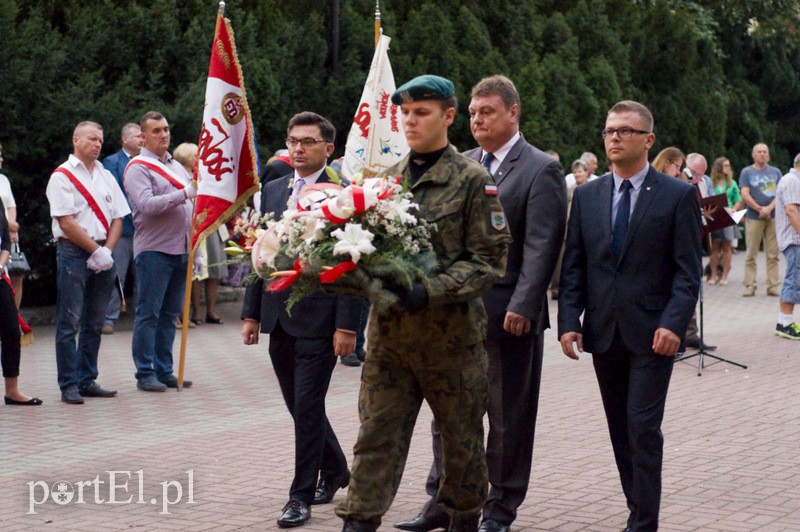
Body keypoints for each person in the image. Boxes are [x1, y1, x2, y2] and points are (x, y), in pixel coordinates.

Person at [335, 75, 511, 532]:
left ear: (448, 116)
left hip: (451, 345)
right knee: (375, 438)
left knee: (462, 445)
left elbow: (489, 261)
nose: (410, 121)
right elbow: (366, 255)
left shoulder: (474, 180)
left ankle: (463, 518)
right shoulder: (383, 183)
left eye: (422, 112)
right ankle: (358, 519)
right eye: (406, 113)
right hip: (390, 344)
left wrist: (428, 290)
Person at [394, 75, 566, 532]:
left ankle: (501, 507)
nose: (477, 120)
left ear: (514, 112)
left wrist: (525, 306)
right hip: (452, 316)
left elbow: (541, 245)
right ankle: (442, 501)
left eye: (487, 111)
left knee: (506, 418)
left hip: (506, 315)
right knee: (446, 413)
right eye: (472, 113)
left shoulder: (539, 168)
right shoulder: (462, 163)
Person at [558, 100, 702, 532]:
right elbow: (574, 267)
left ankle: (643, 522)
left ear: (648, 140)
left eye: (625, 131)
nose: (615, 138)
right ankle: (636, 508)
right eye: (609, 131)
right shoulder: (587, 195)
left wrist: (674, 324)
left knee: (642, 427)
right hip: (603, 333)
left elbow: (687, 271)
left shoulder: (676, 195)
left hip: (653, 334)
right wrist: (568, 321)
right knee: (620, 429)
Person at [241, 112, 361, 529]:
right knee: (298, 406)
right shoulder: (272, 190)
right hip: (280, 317)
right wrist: (251, 313)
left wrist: (348, 326)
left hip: (322, 318)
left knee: (308, 406)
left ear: (328, 149)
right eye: (292, 140)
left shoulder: (345, 194)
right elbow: (261, 252)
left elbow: (353, 262)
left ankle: (299, 496)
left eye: (308, 142)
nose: (297, 149)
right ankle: (336, 469)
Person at [46, 121, 130, 404]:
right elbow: (67, 223)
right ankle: (68, 384)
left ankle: (87, 378)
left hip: (103, 253)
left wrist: (106, 251)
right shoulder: (62, 176)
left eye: (100, 140)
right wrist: (97, 250)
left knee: (94, 321)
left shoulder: (106, 175)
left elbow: (118, 217)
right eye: (92, 139)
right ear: (75, 140)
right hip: (73, 253)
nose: (97, 144)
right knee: (69, 322)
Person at [124, 112, 196, 392]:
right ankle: (145, 373)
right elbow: (146, 205)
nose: (163, 135)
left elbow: (190, 203)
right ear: (143, 136)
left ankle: (164, 370)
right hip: (154, 249)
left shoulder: (176, 166)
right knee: (149, 314)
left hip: (182, 247)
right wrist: (185, 193)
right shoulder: (137, 167)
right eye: (156, 131)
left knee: (169, 315)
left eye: (166, 129)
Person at [172, 142, 227, 327]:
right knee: (195, 273)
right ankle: (193, 312)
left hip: (213, 225)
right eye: (197, 155)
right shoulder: (179, 177)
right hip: (193, 226)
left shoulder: (208, 176)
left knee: (214, 270)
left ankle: (210, 310)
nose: (201, 159)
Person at [101, 123, 143, 334]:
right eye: (137, 136)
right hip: (123, 229)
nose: (141, 140)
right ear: (125, 139)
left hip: (146, 231)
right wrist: (142, 207)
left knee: (144, 275)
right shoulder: (111, 162)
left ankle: (143, 318)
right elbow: (114, 192)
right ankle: (109, 318)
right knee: (117, 275)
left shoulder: (147, 161)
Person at [1, 195, 41, 406]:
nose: (0, 159)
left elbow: (6, 239)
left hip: (0, 275)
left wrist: (1, 263)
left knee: (11, 329)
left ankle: (12, 390)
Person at [739, 143, 782, 297]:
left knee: (772, 254)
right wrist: (759, 209)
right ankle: (750, 285)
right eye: (759, 152)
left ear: (769, 155)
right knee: (751, 253)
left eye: (765, 152)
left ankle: (772, 285)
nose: (762, 154)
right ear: (753, 155)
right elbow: (744, 194)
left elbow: (780, 194)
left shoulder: (776, 172)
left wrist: (769, 209)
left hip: (773, 216)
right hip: (753, 217)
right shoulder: (746, 172)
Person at [774, 153, 800, 340]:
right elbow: (791, 210)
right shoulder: (792, 180)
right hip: (794, 239)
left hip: (795, 238)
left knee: (795, 278)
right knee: (793, 279)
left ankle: (786, 321)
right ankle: (785, 324)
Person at [709, 157, 742, 285]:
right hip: (715, 216)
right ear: (719, 167)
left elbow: (738, 200)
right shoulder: (711, 182)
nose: (729, 168)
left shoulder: (732, 183)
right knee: (714, 246)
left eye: (729, 165)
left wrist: (733, 209)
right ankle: (713, 274)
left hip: (728, 217)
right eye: (726, 165)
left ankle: (724, 275)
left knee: (727, 246)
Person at [0, 143, 23, 308]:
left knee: (16, 274)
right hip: (3, 232)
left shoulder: (3, 180)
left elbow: (10, 205)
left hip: (9, 234)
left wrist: (12, 225)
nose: (1, 159)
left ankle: (14, 318)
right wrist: (8, 226)